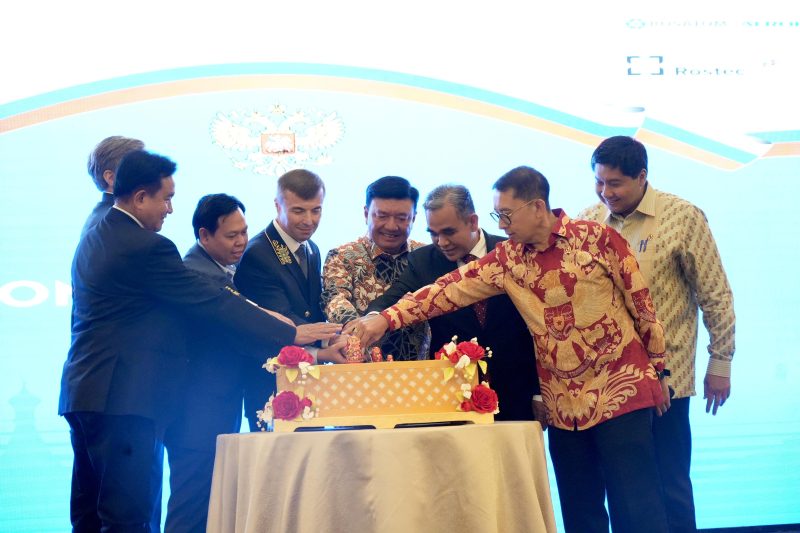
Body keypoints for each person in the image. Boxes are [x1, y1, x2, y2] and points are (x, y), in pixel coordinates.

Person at [348, 166, 670, 533]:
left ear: (536, 207)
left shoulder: (598, 238)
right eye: (496, 215)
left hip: (622, 390)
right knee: (581, 510)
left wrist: (658, 371)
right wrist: (384, 319)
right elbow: (445, 290)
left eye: (506, 214)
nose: (501, 224)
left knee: (637, 508)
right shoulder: (508, 260)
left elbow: (642, 306)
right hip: (563, 405)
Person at [59, 151, 339, 532]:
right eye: (166, 198)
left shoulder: (98, 230)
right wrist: (289, 332)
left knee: (92, 516)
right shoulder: (145, 246)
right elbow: (210, 300)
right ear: (140, 197)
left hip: (87, 392)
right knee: (130, 519)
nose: (171, 209)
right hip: (122, 399)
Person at [579, 136, 736, 533]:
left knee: (670, 485)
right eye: (599, 182)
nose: (605, 192)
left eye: (615, 183)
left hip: (668, 379)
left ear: (642, 176)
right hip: (609, 384)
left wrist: (721, 362)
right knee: (624, 489)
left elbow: (715, 294)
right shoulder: (589, 221)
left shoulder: (682, 217)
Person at [367, 184, 542, 421]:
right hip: (452, 396)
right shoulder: (423, 261)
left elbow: (540, 328)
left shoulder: (512, 253)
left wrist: (539, 393)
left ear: (472, 221)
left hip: (517, 393)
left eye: (448, 232)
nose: (441, 242)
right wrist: (372, 320)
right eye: (433, 233)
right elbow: (392, 299)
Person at [235, 169, 346, 431]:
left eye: (316, 210)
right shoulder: (257, 254)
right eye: (299, 211)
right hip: (271, 385)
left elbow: (312, 312)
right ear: (278, 205)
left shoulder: (311, 248)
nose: (309, 220)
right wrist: (327, 341)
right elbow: (281, 323)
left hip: (309, 383)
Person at [322, 176, 429, 360]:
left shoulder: (425, 255)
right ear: (366, 214)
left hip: (420, 371)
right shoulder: (342, 256)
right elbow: (335, 301)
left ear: (414, 218)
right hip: (360, 369)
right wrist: (362, 329)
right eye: (382, 216)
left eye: (402, 218)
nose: (391, 226)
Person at [81, 135, 144, 236]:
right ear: (111, 178)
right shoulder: (114, 222)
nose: (148, 176)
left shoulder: (101, 216)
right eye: (138, 169)